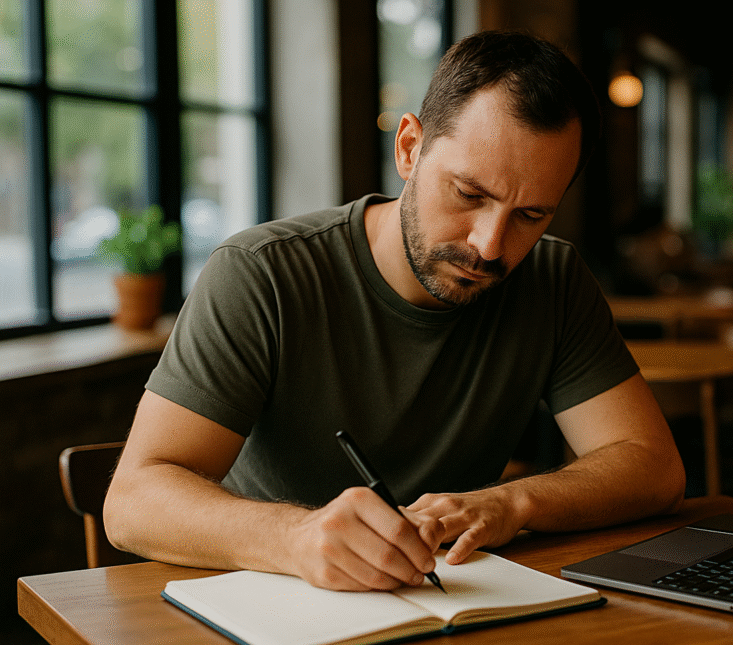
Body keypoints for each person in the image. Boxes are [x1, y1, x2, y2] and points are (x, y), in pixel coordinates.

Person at [104, 30, 686, 593]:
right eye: (469, 194)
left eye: (531, 215)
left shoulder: (552, 279)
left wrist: (511, 502)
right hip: (269, 605)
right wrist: (296, 537)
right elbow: (132, 503)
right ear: (409, 148)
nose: (489, 246)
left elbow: (653, 466)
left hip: (453, 607)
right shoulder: (262, 274)